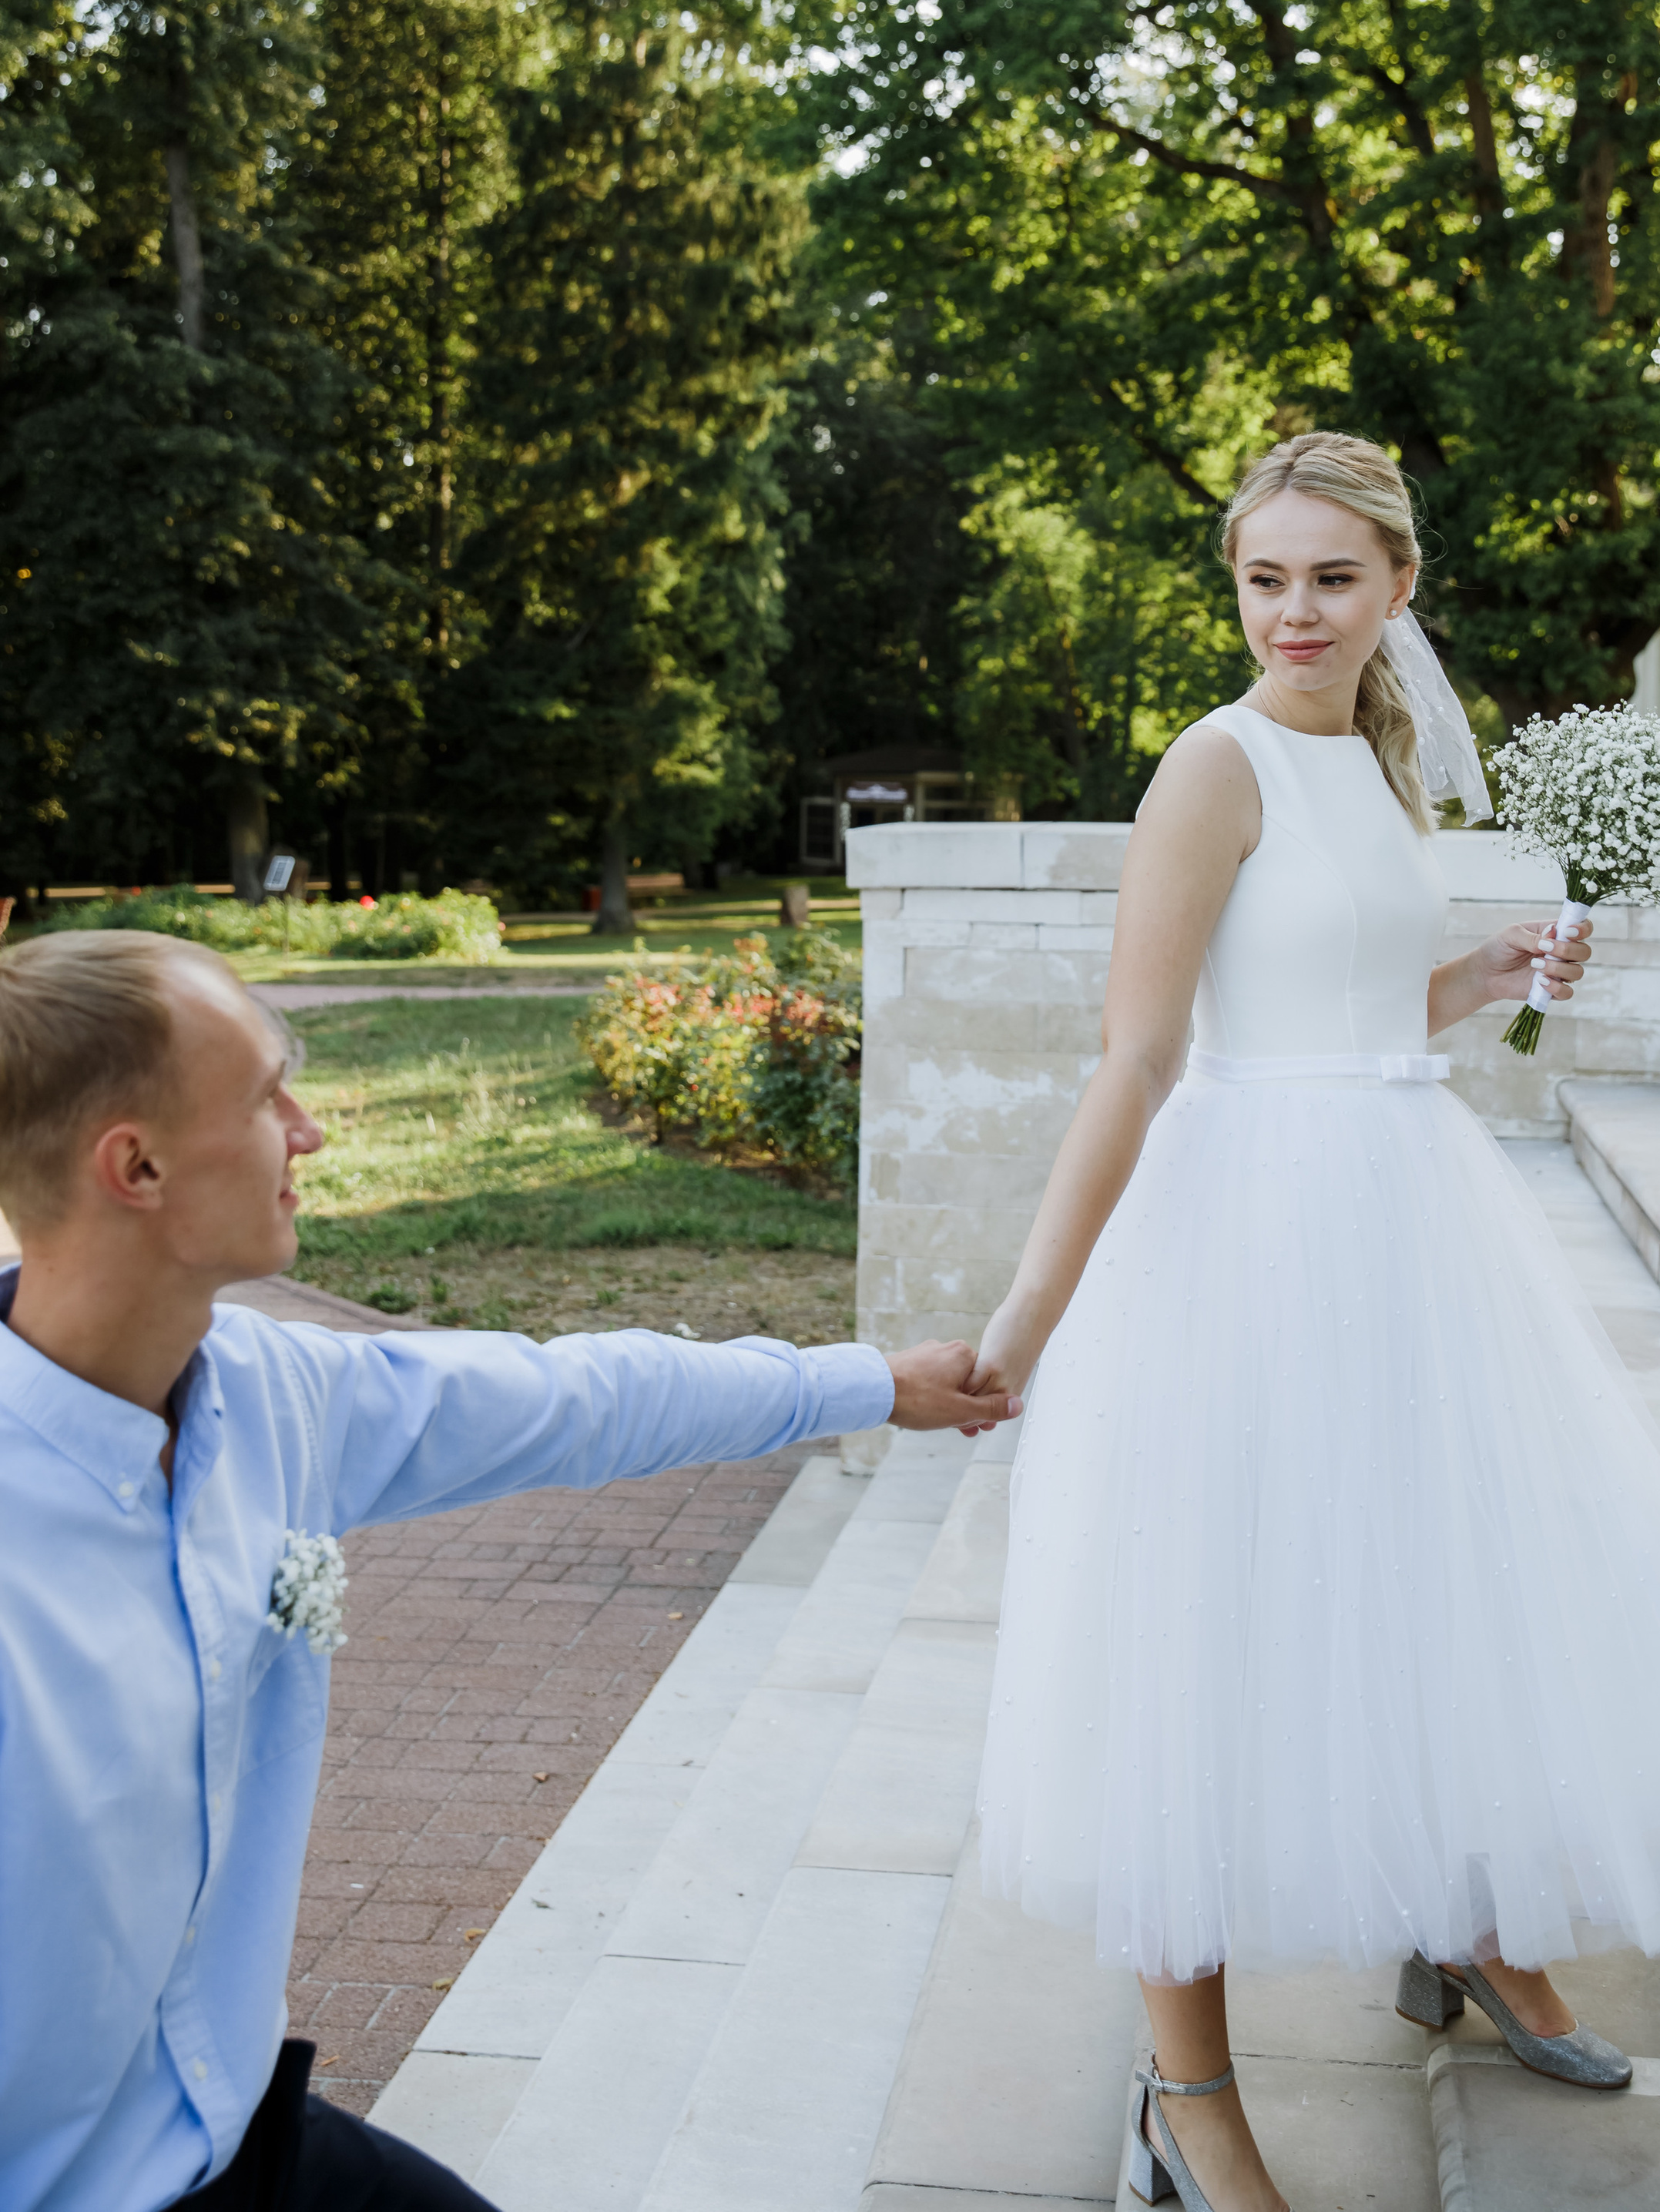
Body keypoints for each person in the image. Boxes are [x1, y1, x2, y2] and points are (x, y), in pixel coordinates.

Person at [963, 433, 1660, 2212]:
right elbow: (1143, 1052)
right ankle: (1185, 2098)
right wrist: (1030, 1317)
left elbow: (1346, 1005)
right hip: (1242, 1234)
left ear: (1397, 589)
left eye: (1329, 578)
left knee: (1449, 1575)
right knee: (1210, 1623)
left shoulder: (1381, 762)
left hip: (1403, 1205)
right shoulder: (1206, 771)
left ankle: (1467, 1929)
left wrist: (1490, 970)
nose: (1292, 611)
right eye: (1263, 577)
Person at [0, 930, 1018, 2212]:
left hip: (229, 2129)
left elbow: (583, 1395)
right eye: (266, 1095)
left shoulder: (277, 1396)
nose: (307, 1131)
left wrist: (872, 1383)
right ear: (135, 1166)